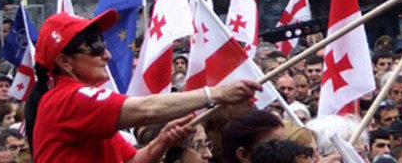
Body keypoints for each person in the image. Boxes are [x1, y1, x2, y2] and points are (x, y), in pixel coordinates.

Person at [25, 9, 261, 162]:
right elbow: (147, 109)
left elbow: (132, 161)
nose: (106, 55)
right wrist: (217, 93)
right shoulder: (68, 98)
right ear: (65, 62)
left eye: (103, 44)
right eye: (94, 47)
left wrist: (162, 141)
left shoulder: (78, 104)